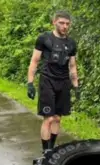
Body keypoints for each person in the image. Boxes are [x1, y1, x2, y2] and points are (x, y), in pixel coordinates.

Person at [27, 10, 80, 153]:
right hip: (47, 81)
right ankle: (46, 152)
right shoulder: (44, 39)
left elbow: (73, 66)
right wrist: (30, 83)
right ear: (54, 22)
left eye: (67, 24)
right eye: (61, 23)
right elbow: (34, 61)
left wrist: (76, 86)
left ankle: (52, 149)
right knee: (48, 119)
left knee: (57, 118)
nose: (65, 26)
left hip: (63, 83)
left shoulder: (71, 43)